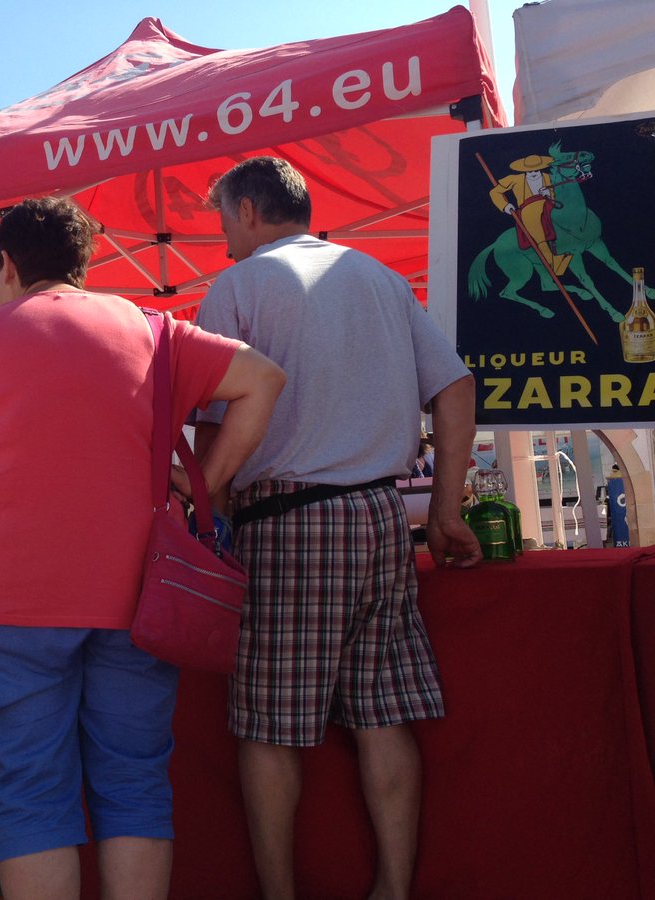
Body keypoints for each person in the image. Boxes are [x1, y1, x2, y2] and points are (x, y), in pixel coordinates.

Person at [0, 197, 285, 900]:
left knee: (31, 790)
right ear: (83, 261)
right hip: (137, 589)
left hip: (15, 593)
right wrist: (199, 490)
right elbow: (263, 380)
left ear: (6, 265)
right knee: (133, 778)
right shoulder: (153, 328)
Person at [194, 156, 482, 900]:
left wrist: (207, 516)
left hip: (287, 521)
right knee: (382, 713)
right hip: (381, 516)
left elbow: (213, 428)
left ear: (251, 212)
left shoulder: (237, 285)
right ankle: (392, 888)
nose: (222, 231)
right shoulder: (379, 276)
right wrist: (445, 511)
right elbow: (454, 385)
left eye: (223, 214)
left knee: (269, 726)